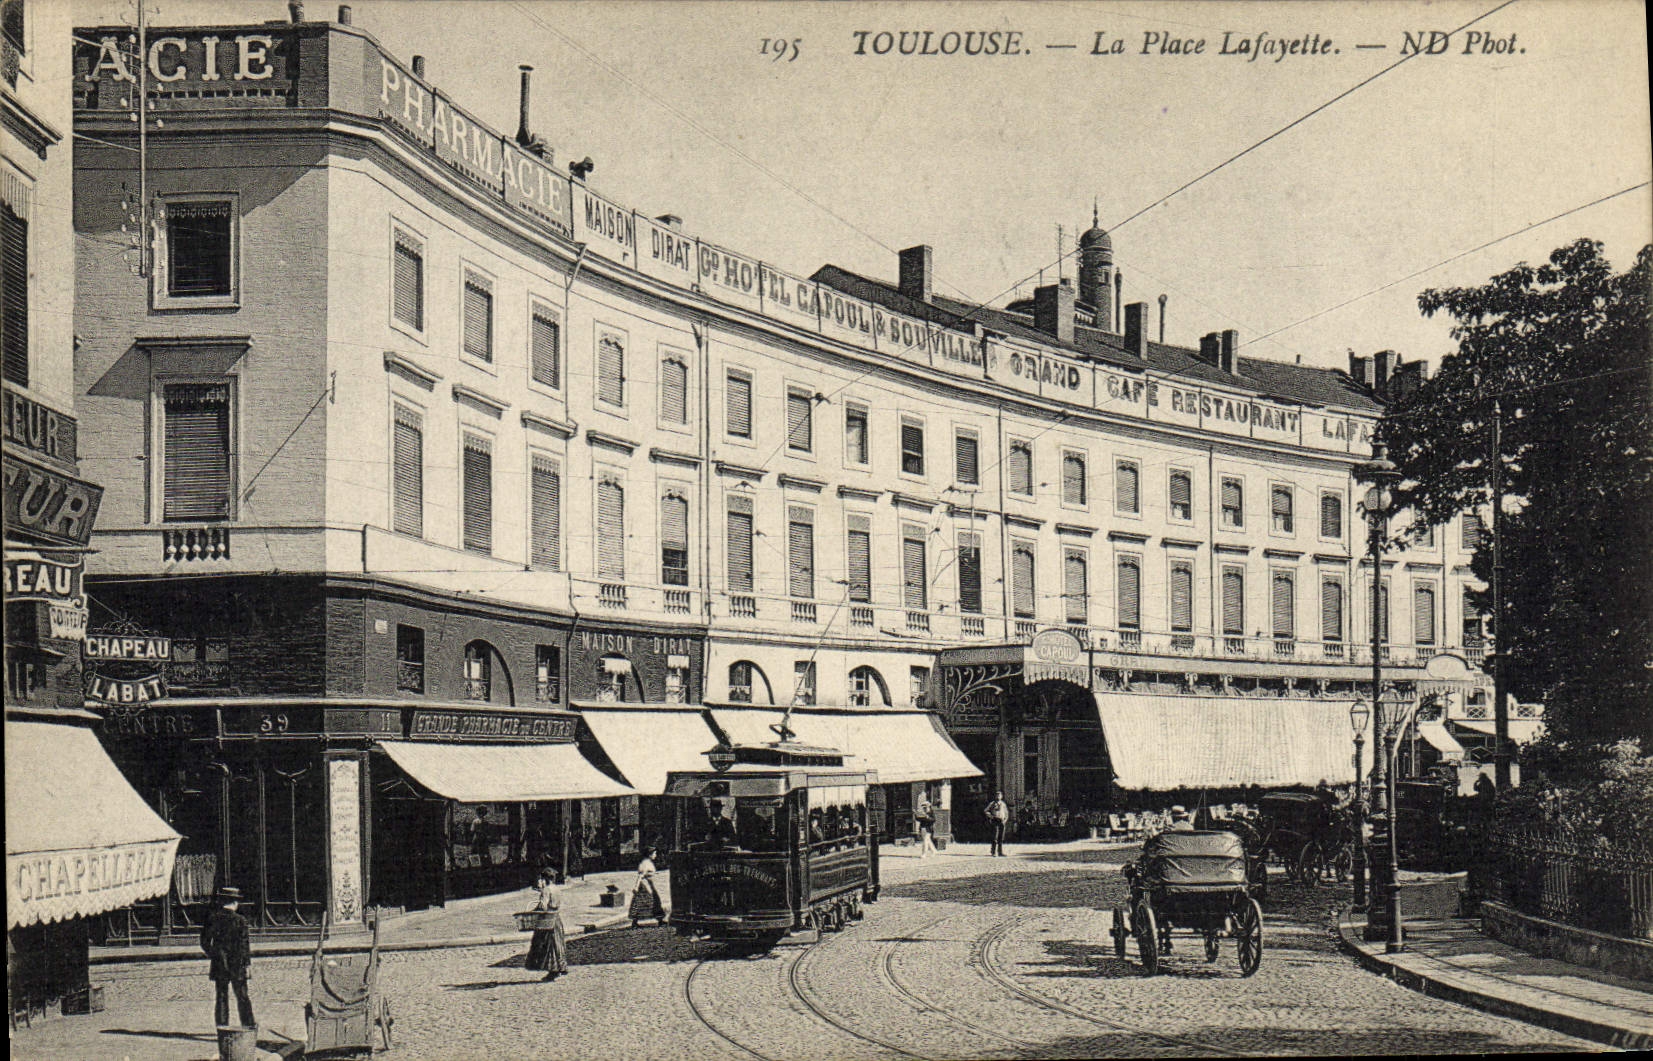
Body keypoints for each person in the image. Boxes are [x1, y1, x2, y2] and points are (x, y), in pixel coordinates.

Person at [201, 886, 255, 1029]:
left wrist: (214, 954)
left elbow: (204, 942)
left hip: (220, 963)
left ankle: (222, 1027)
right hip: (237, 964)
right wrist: (247, 965)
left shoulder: (212, 918)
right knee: (242, 996)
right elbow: (244, 946)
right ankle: (248, 1025)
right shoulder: (240, 920)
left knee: (221, 996)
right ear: (235, 903)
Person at [524, 868, 569, 981]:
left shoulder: (546, 890)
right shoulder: (557, 889)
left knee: (547, 944)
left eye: (542, 879)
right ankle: (560, 967)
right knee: (558, 943)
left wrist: (534, 911)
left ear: (545, 879)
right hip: (556, 918)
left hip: (547, 920)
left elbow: (543, 906)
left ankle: (553, 970)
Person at [629, 848, 668, 928]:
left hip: (650, 885)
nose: (655, 856)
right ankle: (635, 922)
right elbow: (640, 876)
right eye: (654, 854)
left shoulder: (648, 862)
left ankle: (660, 920)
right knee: (645, 902)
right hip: (645, 886)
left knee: (654, 902)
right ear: (650, 854)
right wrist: (636, 887)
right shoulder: (645, 863)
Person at [985, 791, 1010, 857]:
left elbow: (1006, 813)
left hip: (1002, 821)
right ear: (995, 796)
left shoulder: (1003, 804)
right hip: (995, 820)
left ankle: (1000, 852)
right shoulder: (992, 803)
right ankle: (993, 852)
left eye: (999, 795)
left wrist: (1005, 820)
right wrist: (991, 816)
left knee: (1001, 837)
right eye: (997, 795)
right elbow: (986, 811)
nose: (998, 796)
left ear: (1002, 796)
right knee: (994, 836)